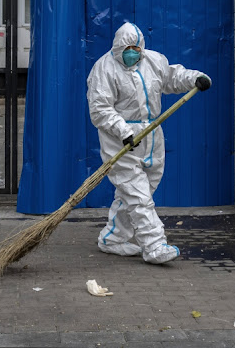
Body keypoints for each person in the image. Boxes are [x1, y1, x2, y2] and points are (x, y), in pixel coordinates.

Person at [86, 22, 211, 264]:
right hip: (120, 140)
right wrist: (123, 130)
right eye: (127, 48)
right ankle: (154, 245)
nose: (132, 52)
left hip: (152, 134)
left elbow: (172, 77)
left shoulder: (153, 61)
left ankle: (112, 238)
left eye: (136, 47)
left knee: (138, 191)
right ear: (117, 47)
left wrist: (195, 77)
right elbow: (100, 109)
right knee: (138, 194)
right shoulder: (104, 69)